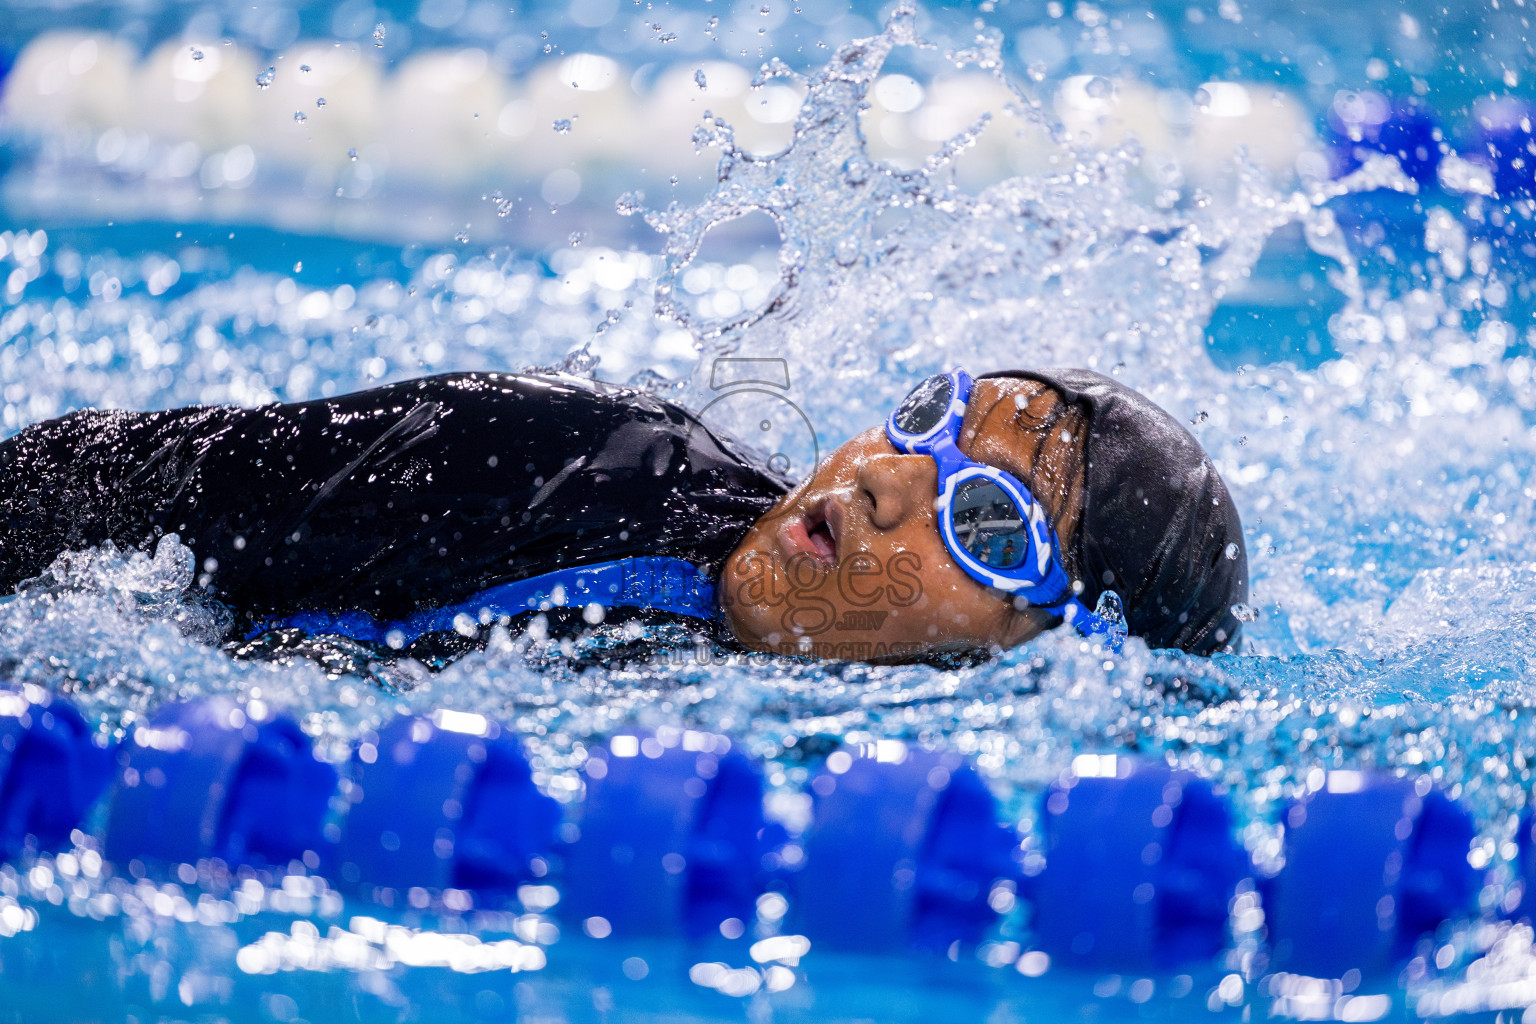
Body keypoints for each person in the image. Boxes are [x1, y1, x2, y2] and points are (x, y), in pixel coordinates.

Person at [0, 366, 1248, 666]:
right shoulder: (565, 463)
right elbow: (125, 477)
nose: (883, 479)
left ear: (1048, 653)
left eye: (982, 520)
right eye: (927, 415)